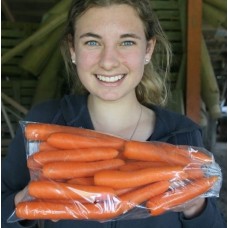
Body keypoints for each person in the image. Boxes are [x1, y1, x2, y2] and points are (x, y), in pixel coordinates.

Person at [2, 0, 226, 227]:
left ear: (148, 49)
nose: (108, 62)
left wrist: (195, 207)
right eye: (92, 42)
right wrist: (25, 201)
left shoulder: (183, 135)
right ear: (73, 49)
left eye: (127, 42)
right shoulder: (44, 124)